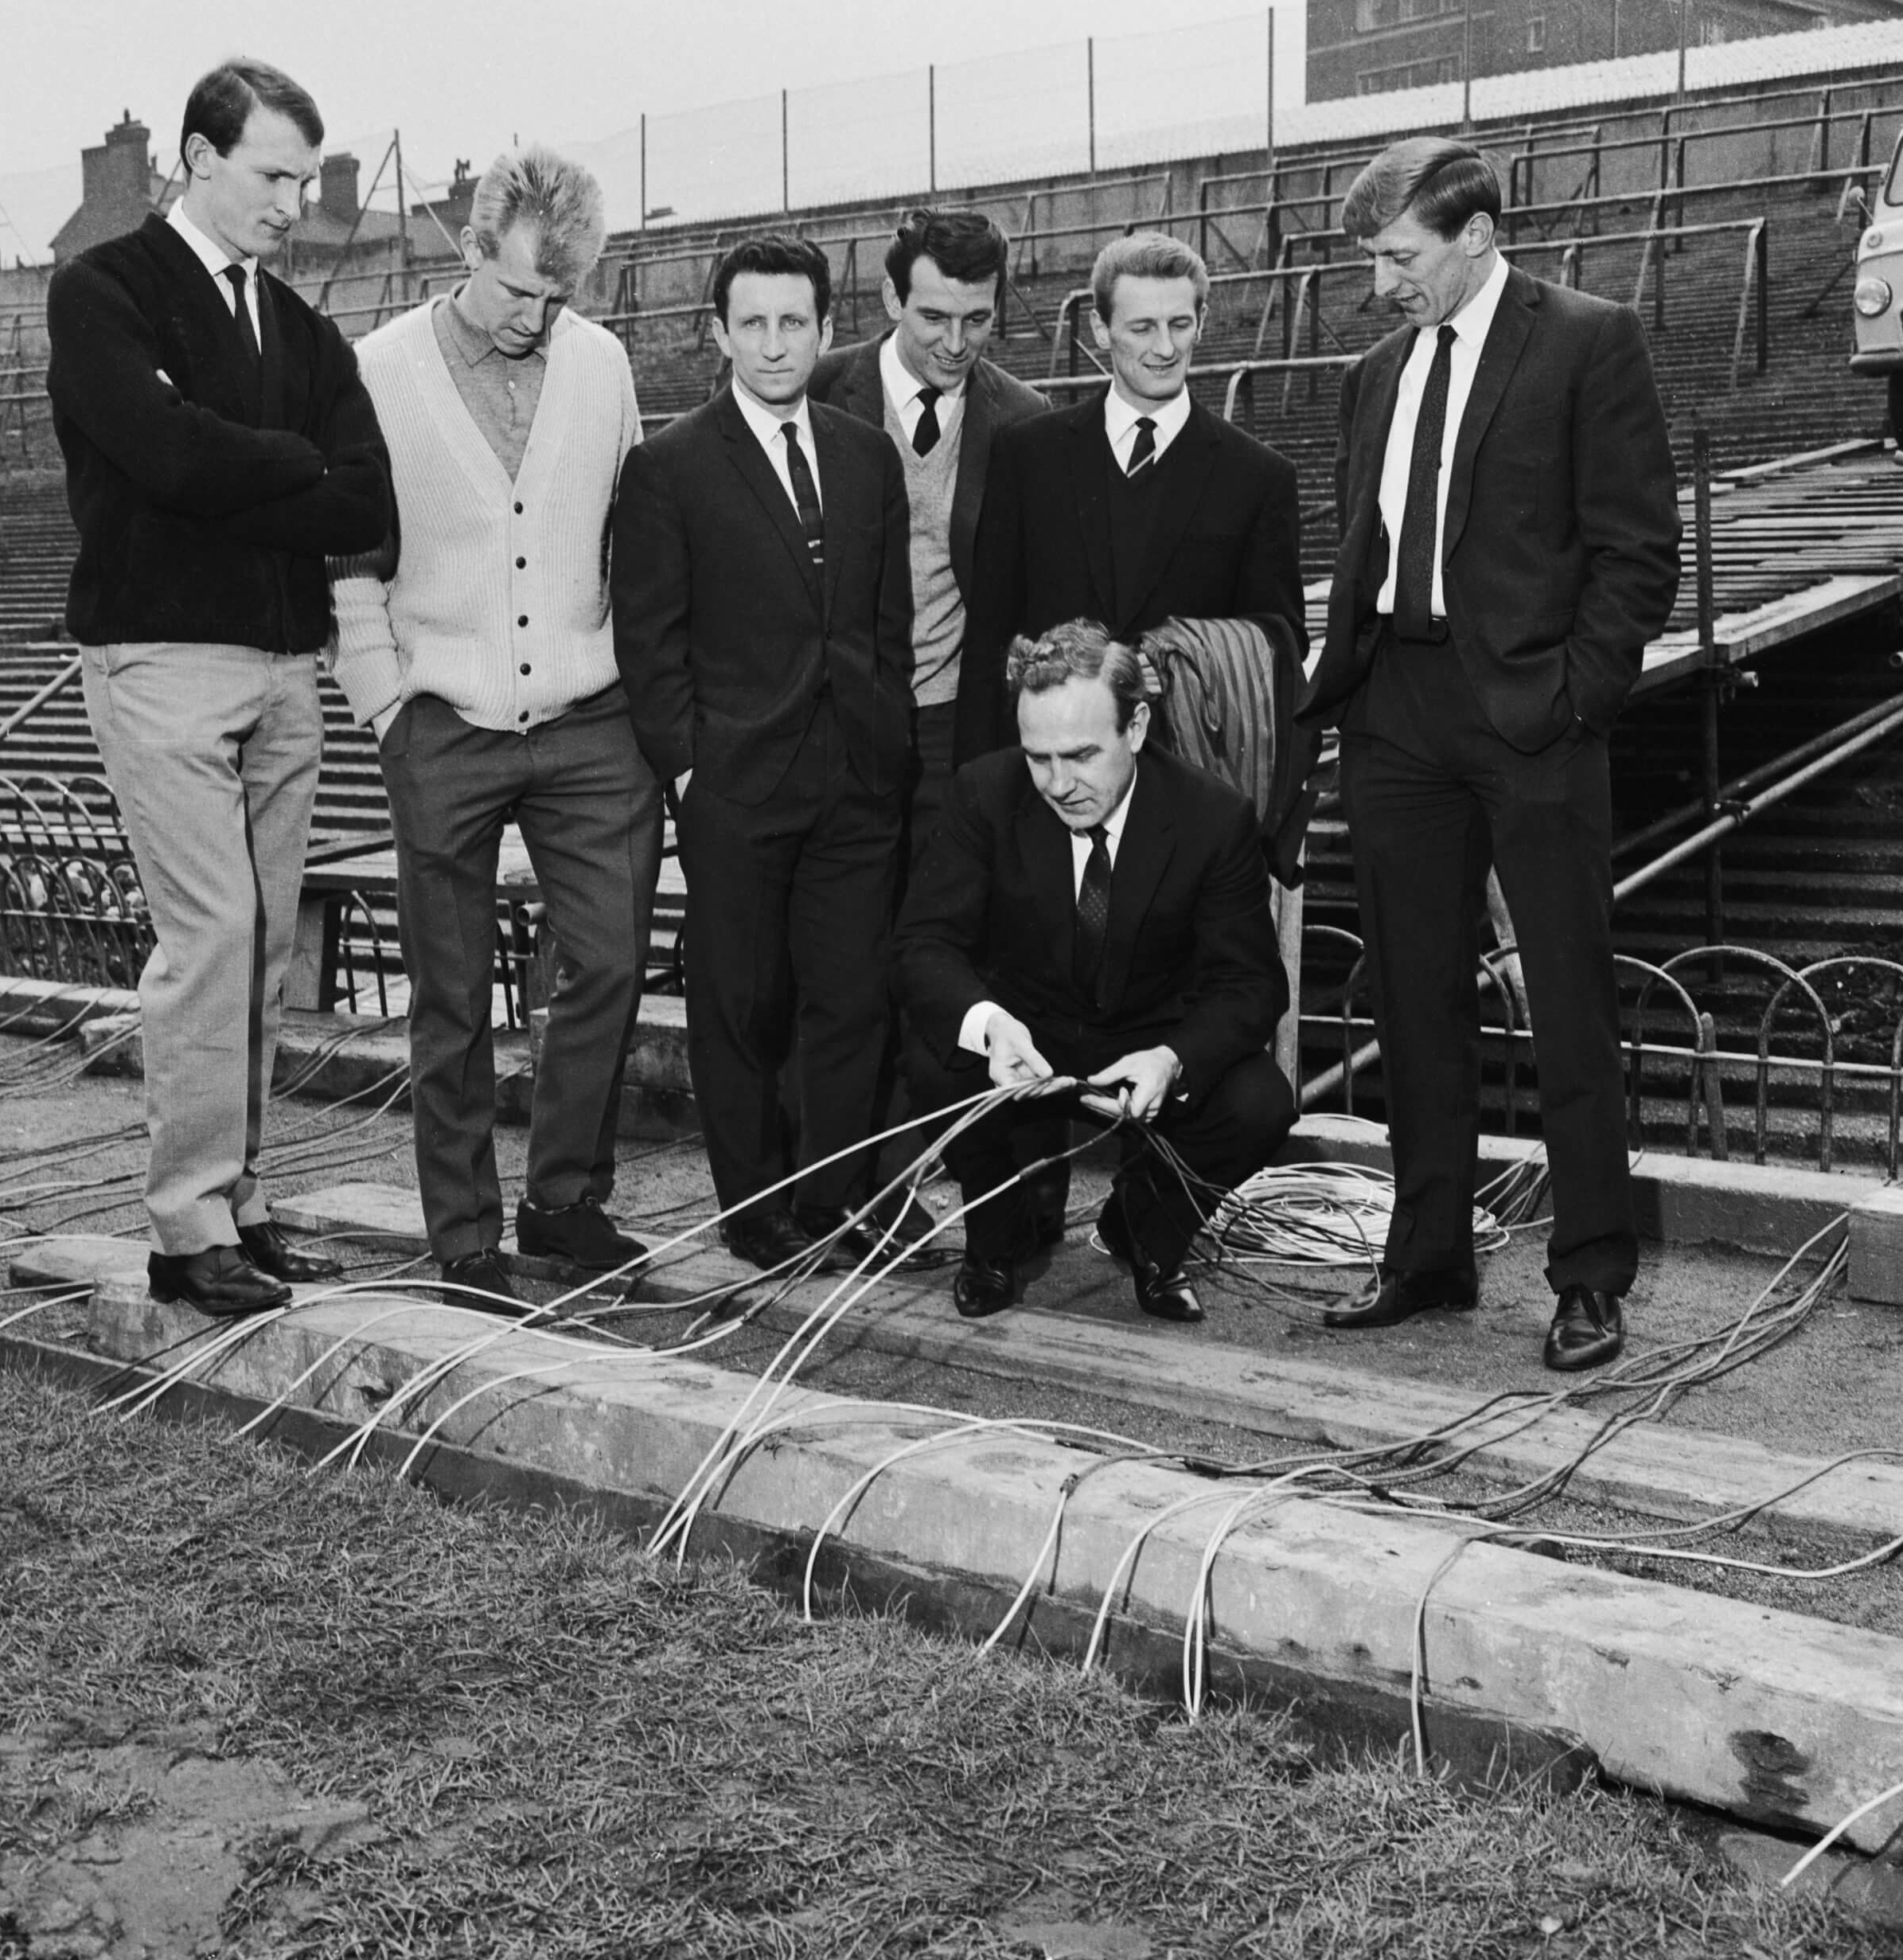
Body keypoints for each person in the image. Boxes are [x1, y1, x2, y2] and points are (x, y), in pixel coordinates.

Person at [1300, 136, 1681, 1372]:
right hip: (1396, 712)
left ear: (1474, 233)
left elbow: (1639, 553)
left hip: (1530, 716)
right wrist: (1340, 691)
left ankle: (1589, 1277)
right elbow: (1370, 542)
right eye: (1372, 260)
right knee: (1415, 996)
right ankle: (1427, 1256)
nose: (1382, 283)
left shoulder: (1587, 337)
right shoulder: (1373, 374)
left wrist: (1574, 699)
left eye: (1399, 257)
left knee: (1567, 996)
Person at [46, 58, 389, 1319]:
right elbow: (160, 455)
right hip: (161, 659)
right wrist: (291, 466)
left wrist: (252, 466)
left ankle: (239, 1204)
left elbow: (368, 498)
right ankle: (185, 1230)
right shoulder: (103, 290)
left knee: (258, 948)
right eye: (272, 175)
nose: (295, 202)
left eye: (306, 177)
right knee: (210, 939)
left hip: (285, 662)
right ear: (198, 157)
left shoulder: (300, 328)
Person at [329, 146, 660, 1312]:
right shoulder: (376, 372)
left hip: (589, 717)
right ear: (469, 249)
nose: (536, 316)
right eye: (518, 290)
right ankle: (464, 1231)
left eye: (559, 298)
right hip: (445, 721)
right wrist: (385, 705)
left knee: (611, 961)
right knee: (451, 992)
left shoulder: (603, 364)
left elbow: (631, 533)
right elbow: (348, 557)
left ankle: (564, 1202)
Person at [610, 235, 916, 1274]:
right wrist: (688, 770)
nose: (775, 343)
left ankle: (830, 1202)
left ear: (828, 329)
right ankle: (756, 1210)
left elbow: (886, 618)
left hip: (856, 776)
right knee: (742, 1004)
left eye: (795, 323)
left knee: (851, 998)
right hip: (737, 781)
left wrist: (887, 742)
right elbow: (649, 639)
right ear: (719, 332)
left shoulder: (866, 452)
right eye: (753, 323)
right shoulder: (670, 465)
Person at [896, 621, 1294, 1323]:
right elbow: (923, 944)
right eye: (1038, 758)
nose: (1058, 783)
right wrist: (989, 1028)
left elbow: (1253, 985)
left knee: (1260, 1101)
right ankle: (994, 1240)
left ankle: (1143, 1229)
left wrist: (1173, 1058)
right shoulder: (984, 793)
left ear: (1136, 726)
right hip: (1025, 1043)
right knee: (934, 1056)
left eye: (1081, 755)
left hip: (1148, 1044)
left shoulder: (1213, 817)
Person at [956, 231, 1305, 763]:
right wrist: (977, 788)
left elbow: (1281, 640)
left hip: (1188, 775)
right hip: (1048, 767)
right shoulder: (1027, 456)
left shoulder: (1260, 475)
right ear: (1100, 328)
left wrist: (1179, 662)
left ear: (1202, 323)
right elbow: (988, 638)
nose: (1165, 348)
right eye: (1142, 327)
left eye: (1180, 324)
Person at [807, 209, 1047, 865]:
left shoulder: (1024, 417)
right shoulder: (815, 391)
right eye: (934, 318)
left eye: (978, 320)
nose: (956, 343)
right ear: (892, 299)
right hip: (839, 713)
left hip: (956, 721)